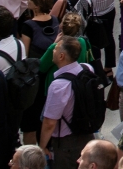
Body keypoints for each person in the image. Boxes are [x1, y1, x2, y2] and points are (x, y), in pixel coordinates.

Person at [38, 37, 96, 168]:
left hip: (66, 145)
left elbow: (49, 122)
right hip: (87, 136)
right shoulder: (87, 69)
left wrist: (41, 147)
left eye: (55, 49)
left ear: (61, 56)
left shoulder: (58, 85)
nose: (53, 51)